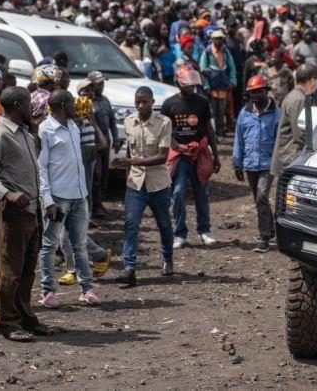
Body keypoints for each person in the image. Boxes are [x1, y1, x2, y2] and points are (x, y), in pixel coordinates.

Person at [0, 86, 54, 343]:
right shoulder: (1, 134)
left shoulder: (25, 133)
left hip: (30, 209)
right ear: (18, 105)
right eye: (29, 103)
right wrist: (6, 193)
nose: (33, 107)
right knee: (9, 269)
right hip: (12, 210)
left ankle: (25, 316)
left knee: (27, 267)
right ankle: (8, 322)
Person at [37, 90, 101, 308]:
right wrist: (47, 199)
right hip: (58, 198)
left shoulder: (73, 126)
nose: (76, 106)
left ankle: (87, 289)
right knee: (49, 244)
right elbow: (41, 168)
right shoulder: (45, 130)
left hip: (78, 196)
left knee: (80, 245)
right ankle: (48, 292)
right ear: (64, 105)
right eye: (72, 103)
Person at [113, 86, 173, 286]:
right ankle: (129, 269)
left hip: (159, 184)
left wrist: (131, 162)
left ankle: (167, 259)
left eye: (144, 102)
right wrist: (126, 169)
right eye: (137, 102)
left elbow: (162, 156)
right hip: (135, 184)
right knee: (131, 225)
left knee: (164, 225)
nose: (140, 105)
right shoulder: (129, 122)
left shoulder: (164, 122)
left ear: (152, 102)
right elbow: (129, 153)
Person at [162, 66, 220, 249]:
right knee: (177, 193)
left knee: (201, 193)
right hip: (180, 155)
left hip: (200, 154)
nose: (190, 88)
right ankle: (179, 233)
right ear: (177, 83)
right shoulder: (169, 104)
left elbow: (209, 129)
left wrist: (216, 156)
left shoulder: (202, 103)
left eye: (192, 85)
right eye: (186, 85)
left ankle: (204, 231)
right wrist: (174, 144)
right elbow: (165, 130)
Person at [232, 75, 280, 253]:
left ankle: (263, 237)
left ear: (266, 91)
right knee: (260, 200)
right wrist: (237, 164)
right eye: (252, 92)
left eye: (258, 91)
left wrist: (279, 162)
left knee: (261, 197)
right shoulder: (244, 113)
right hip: (250, 164)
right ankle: (272, 228)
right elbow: (239, 140)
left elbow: (280, 141)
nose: (255, 95)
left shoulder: (276, 113)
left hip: (268, 164)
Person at [271, 64, 317, 181]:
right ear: (312, 80)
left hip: (290, 157)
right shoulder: (299, 99)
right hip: (291, 157)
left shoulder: (297, 96)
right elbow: (300, 134)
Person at [84, 71, 117, 217]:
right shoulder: (87, 102)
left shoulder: (105, 100)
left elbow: (112, 121)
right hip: (94, 142)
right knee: (95, 175)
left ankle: (100, 202)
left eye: (102, 83)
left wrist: (116, 138)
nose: (101, 86)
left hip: (106, 141)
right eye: (98, 84)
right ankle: (94, 206)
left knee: (104, 173)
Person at [198, 29, 237, 137]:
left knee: (221, 111)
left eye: (221, 39)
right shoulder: (207, 52)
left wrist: (232, 81)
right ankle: (211, 134)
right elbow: (203, 71)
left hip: (223, 87)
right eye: (217, 39)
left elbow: (232, 68)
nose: (219, 41)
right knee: (211, 112)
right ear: (212, 40)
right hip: (212, 88)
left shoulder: (226, 52)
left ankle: (220, 132)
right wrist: (206, 86)